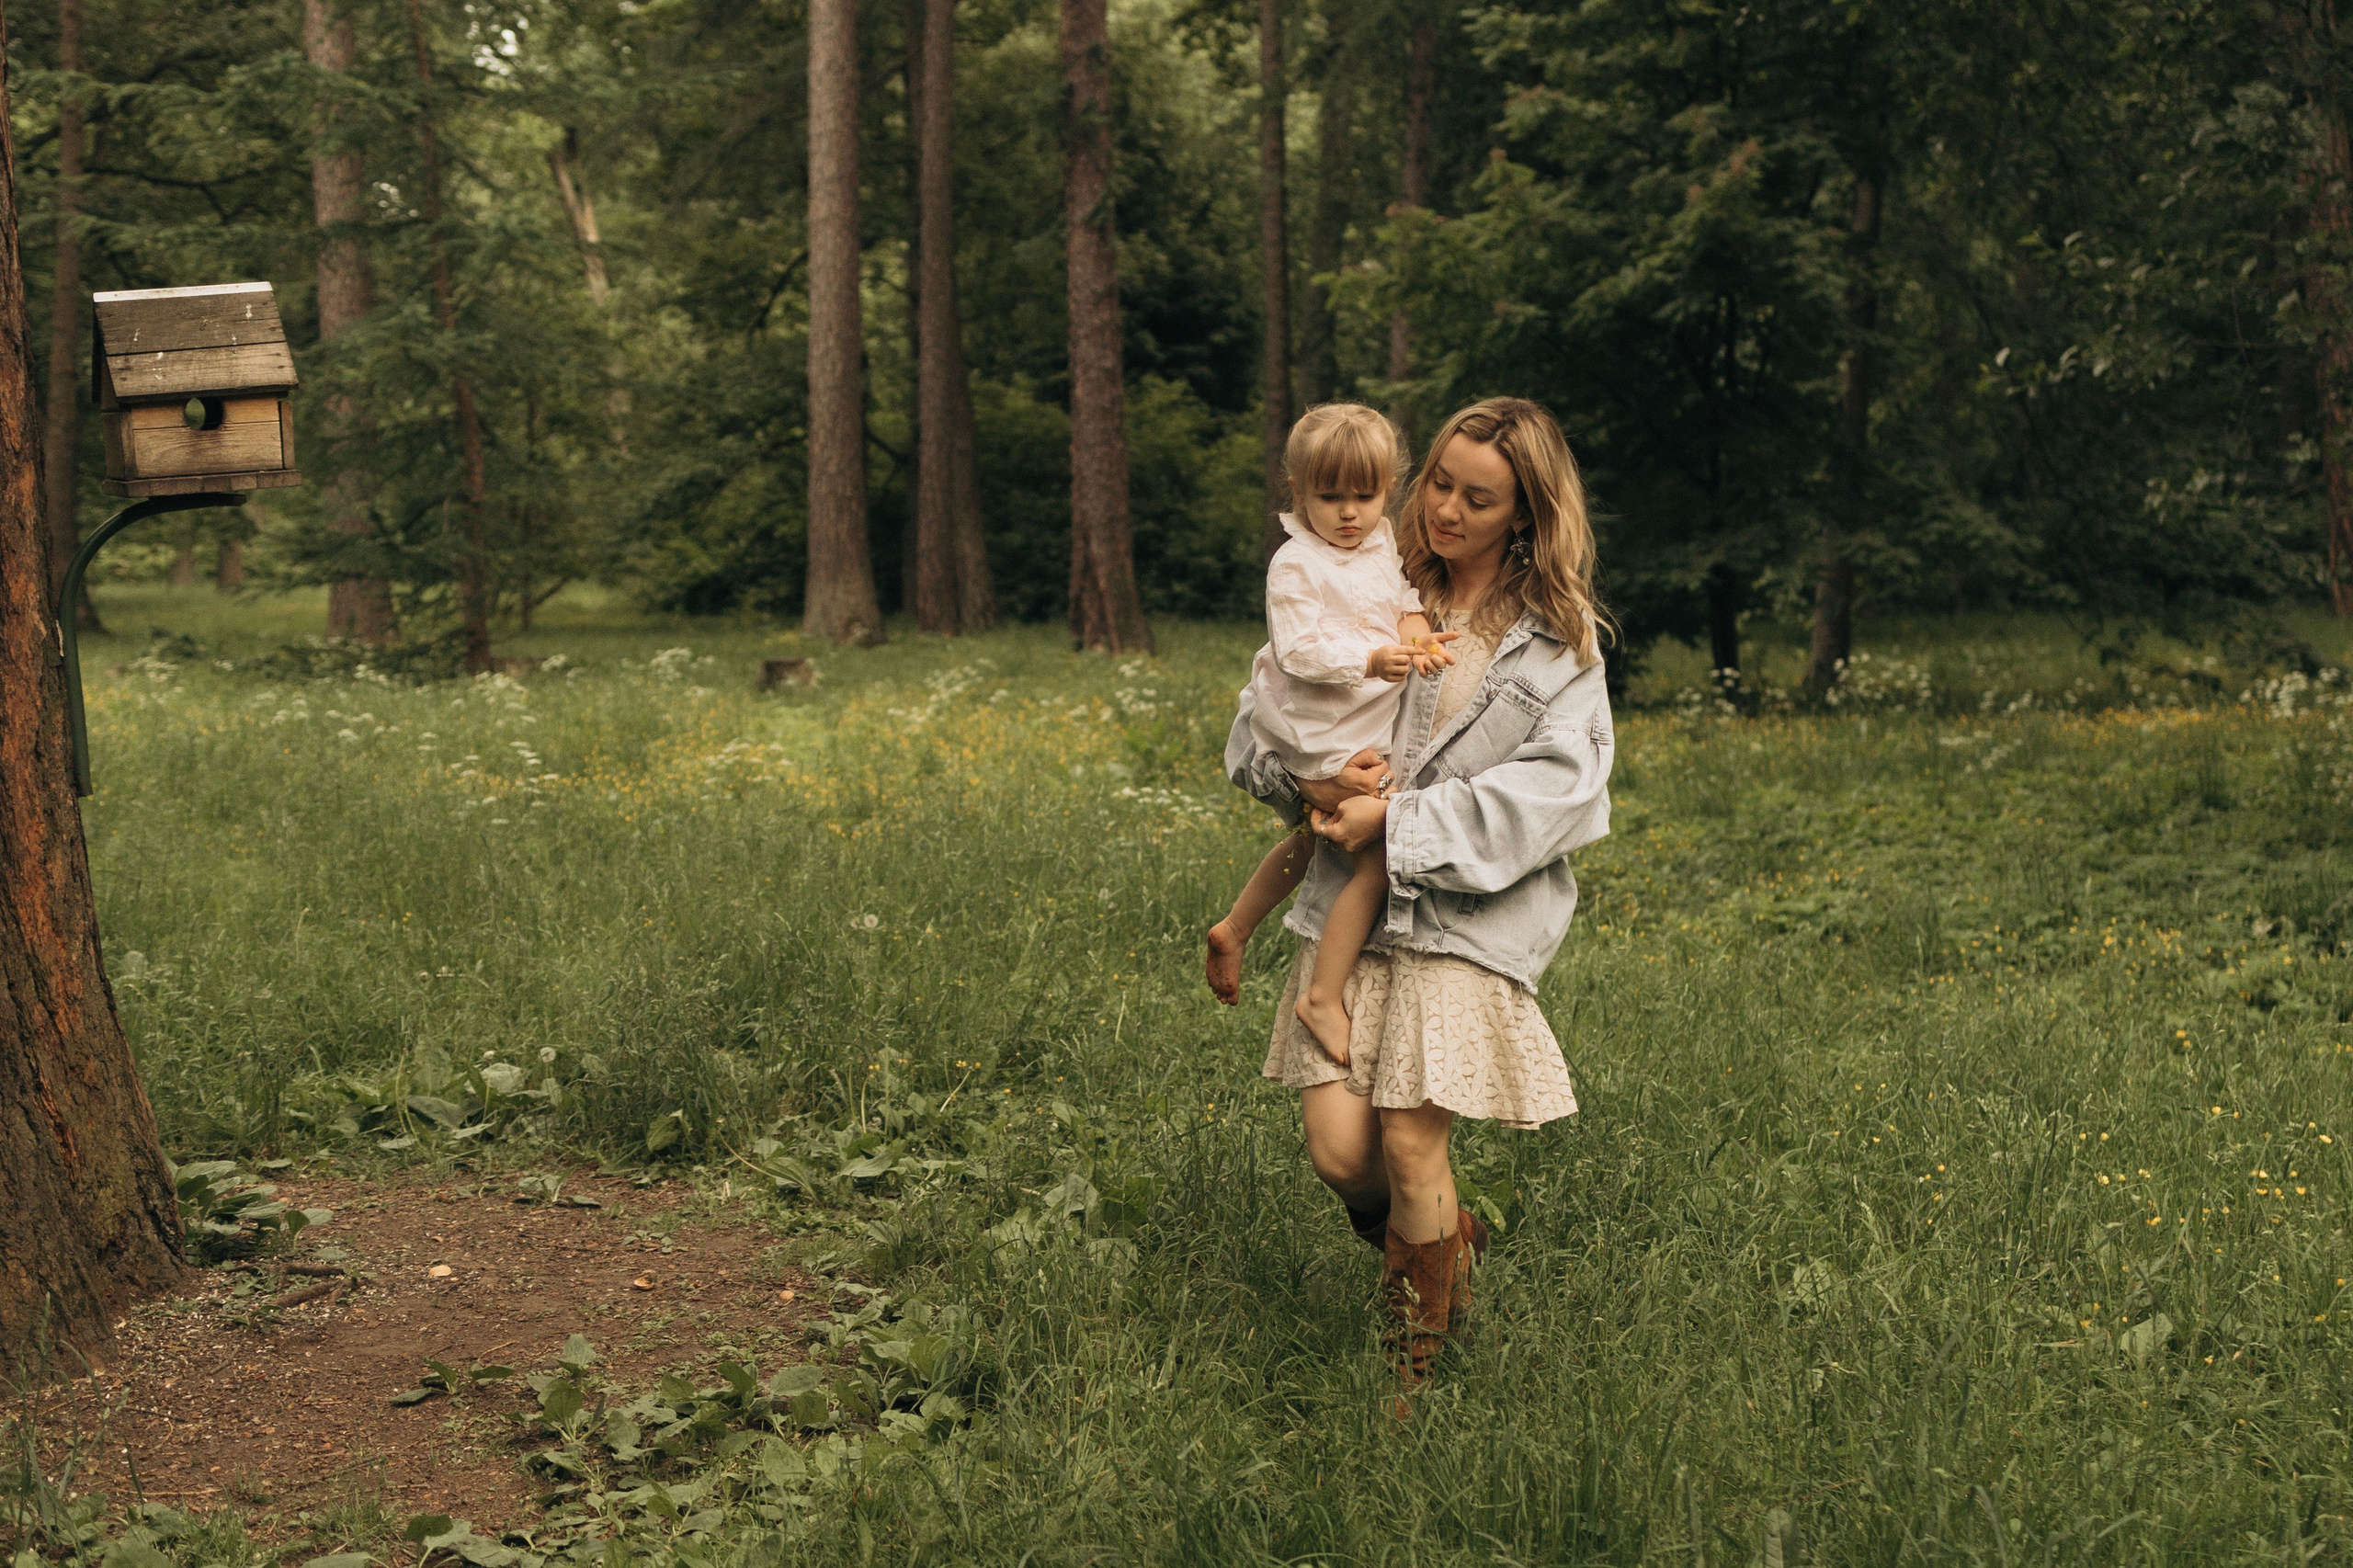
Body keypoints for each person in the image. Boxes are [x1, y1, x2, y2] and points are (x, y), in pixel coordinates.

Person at [1222, 396, 1614, 1408]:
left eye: (1477, 498)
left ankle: (1413, 1376)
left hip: (1460, 917)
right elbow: (1258, 715)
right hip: (1343, 917)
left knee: (1407, 1139)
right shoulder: (1362, 577)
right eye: (1437, 480)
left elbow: (1562, 795)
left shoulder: (1554, 643)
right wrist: (1303, 786)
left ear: (1523, 512)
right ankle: (1447, 1244)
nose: (1443, 508)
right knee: (1339, 1151)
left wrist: (1402, 828)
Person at [1203, 403, 1455, 1066]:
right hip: (1318, 720)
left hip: (1361, 715)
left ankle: (1235, 927)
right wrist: (1371, 659)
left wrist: (1413, 635)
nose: (1350, 514)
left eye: (1365, 496)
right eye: (1331, 497)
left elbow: (1399, 598)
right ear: (1298, 494)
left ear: (1388, 493)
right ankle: (1322, 995)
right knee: (1374, 851)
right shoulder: (1296, 564)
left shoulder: (1379, 543)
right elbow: (1298, 649)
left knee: (1318, 838)